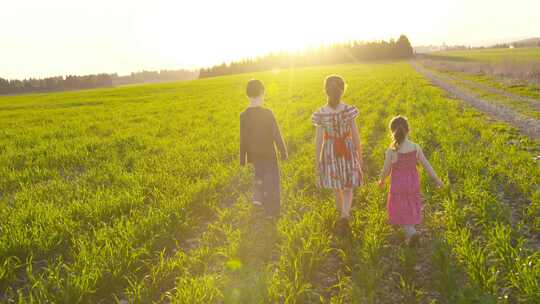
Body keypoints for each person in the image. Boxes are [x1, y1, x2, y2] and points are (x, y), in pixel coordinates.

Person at [378, 115, 444, 246]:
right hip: (412, 183)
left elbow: (386, 170)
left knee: (400, 208)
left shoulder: (391, 151)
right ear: (408, 130)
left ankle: (411, 232)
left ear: (392, 132)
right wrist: (437, 180)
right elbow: (426, 165)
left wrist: (381, 180)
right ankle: (411, 230)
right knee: (410, 205)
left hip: (398, 185)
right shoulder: (415, 147)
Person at [312, 75, 363, 234]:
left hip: (330, 151)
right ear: (343, 90)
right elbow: (355, 135)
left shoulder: (321, 113)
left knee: (336, 187)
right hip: (347, 149)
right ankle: (345, 216)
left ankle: (342, 216)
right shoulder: (348, 110)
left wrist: (317, 162)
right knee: (348, 186)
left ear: (325, 91)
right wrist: (359, 155)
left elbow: (319, 140)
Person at [240, 79, 287, 217]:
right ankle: (272, 211)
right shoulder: (267, 113)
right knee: (272, 181)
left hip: (254, 155)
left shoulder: (243, 115)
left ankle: (258, 199)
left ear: (247, 95)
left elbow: (243, 138)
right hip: (269, 154)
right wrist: (283, 151)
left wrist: (242, 158)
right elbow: (276, 133)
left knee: (259, 176)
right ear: (262, 93)